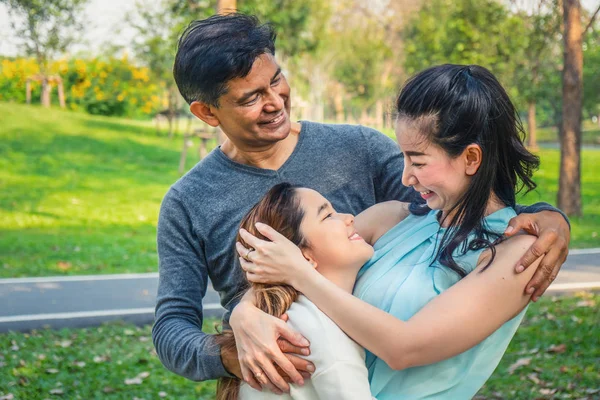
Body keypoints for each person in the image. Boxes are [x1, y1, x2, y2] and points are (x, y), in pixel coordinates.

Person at [153, 13, 570, 394]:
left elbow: (458, 193)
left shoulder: (358, 149)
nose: (275, 101)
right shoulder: (188, 202)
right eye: (250, 98)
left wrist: (547, 216)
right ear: (207, 113)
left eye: (276, 80)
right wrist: (235, 342)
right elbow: (171, 327)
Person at [233, 64, 551, 399]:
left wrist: (301, 276)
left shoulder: (516, 255)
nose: (405, 178)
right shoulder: (391, 218)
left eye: (419, 161)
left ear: (471, 158)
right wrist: (245, 312)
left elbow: (405, 349)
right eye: (403, 158)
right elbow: (297, 255)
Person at [215, 183, 376, 400]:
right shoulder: (315, 331)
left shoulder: (295, 316)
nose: (349, 217)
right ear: (303, 256)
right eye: (328, 215)